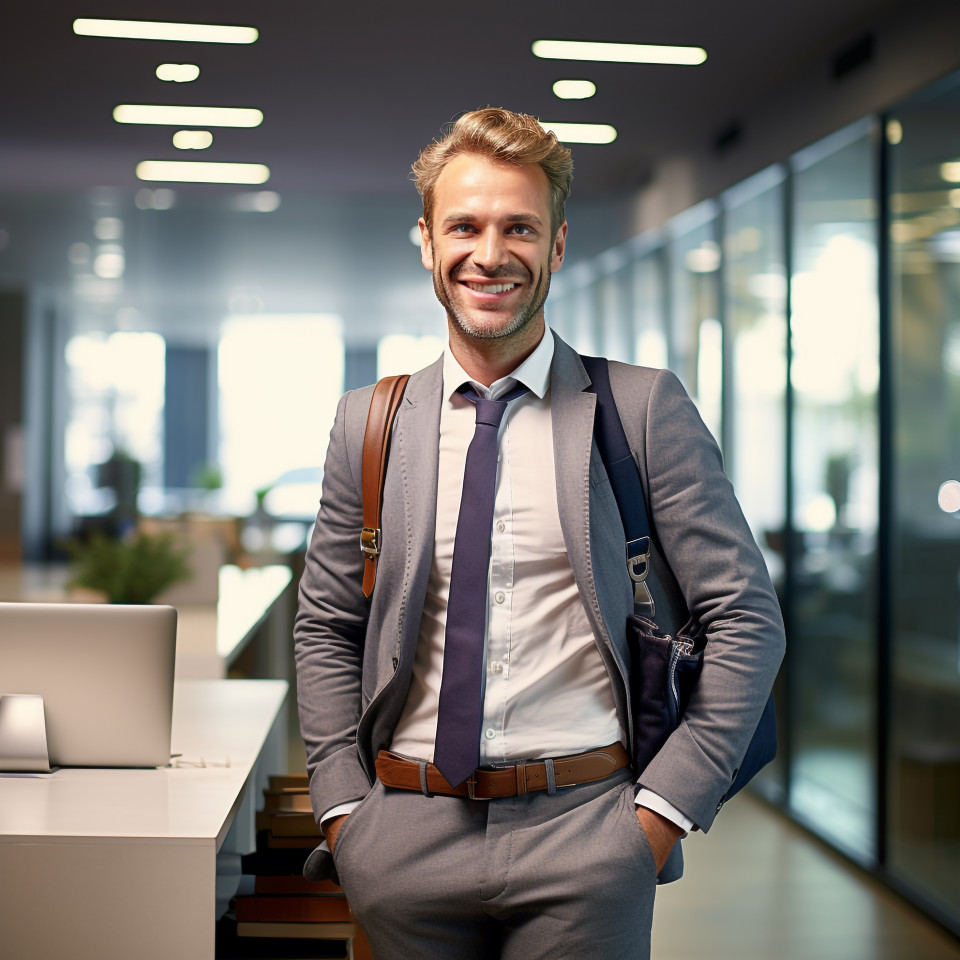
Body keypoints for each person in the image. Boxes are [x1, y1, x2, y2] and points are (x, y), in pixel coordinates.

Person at [295, 106, 785, 960]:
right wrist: (343, 812)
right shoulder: (368, 425)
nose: (491, 253)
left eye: (519, 227)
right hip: (403, 835)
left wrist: (659, 816)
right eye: (466, 226)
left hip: (589, 835)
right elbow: (328, 626)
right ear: (426, 241)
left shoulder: (640, 408)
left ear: (556, 245)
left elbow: (747, 619)